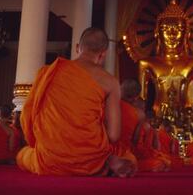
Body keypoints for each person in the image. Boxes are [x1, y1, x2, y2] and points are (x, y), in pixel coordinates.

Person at [17, 27, 136, 177]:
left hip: (50, 159)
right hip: (90, 159)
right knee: (128, 156)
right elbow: (113, 135)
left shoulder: (48, 72)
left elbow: (26, 116)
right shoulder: (110, 82)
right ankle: (105, 160)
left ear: (77, 48)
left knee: (22, 155)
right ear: (103, 55)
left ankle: (99, 159)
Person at [117, 80, 169, 172]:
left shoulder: (109, 105)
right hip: (126, 152)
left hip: (109, 152)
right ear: (135, 98)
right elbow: (135, 140)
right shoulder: (140, 115)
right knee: (161, 162)